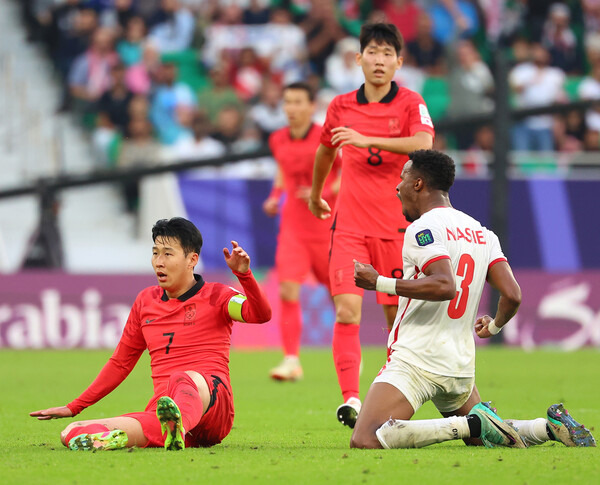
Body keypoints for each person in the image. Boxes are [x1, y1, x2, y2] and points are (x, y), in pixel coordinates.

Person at [348, 149, 596, 450]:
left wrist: (379, 282)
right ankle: (546, 428)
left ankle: (470, 423)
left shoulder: (422, 228)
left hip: (417, 358)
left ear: (418, 184)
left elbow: (445, 285)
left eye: (402, 178)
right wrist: (493, 327)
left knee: (366, 438)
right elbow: (513, 294)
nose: (397, 187)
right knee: (488, 438)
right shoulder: (482, 233)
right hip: (460, 363)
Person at [30, 217, 272, 451]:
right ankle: (160, 435)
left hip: (213, 405)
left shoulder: (217, 296)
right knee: (72, 431)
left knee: (181, 378)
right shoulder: (146, 301)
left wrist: (244, 276)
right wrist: (74, 407)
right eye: (155, 253)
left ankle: (175, 428)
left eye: (168, 253)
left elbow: (259, 314)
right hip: (165, 410)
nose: (159, 261)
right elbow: (120, 363)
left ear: (192, 260)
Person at [309, 22, 434, 428]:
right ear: (358, 58)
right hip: (349, 227)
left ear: (399, 62)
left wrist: (367, 140)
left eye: (387, 53)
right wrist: (316, 193)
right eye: (372, 52)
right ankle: (350, 399)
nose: (379, 60)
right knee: (346, 311)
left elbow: (424, 145)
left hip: (398, 231)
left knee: (396, 319)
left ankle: (387, 399)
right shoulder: (341, 105)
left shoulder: (411, 102)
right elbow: (326, 149)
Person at [264, 82, 341, 381]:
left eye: (298, 102)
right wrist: (275, 194)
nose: (291, 108)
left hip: (324, 224)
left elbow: (344, 173)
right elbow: (282, 168)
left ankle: (348, 352)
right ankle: (291, 360)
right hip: (293, 226)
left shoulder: (327, 137)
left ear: (312, 106)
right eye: (287, 102)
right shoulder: (277, 138)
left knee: (339, 295)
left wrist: (320, 192)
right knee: (287, 290)